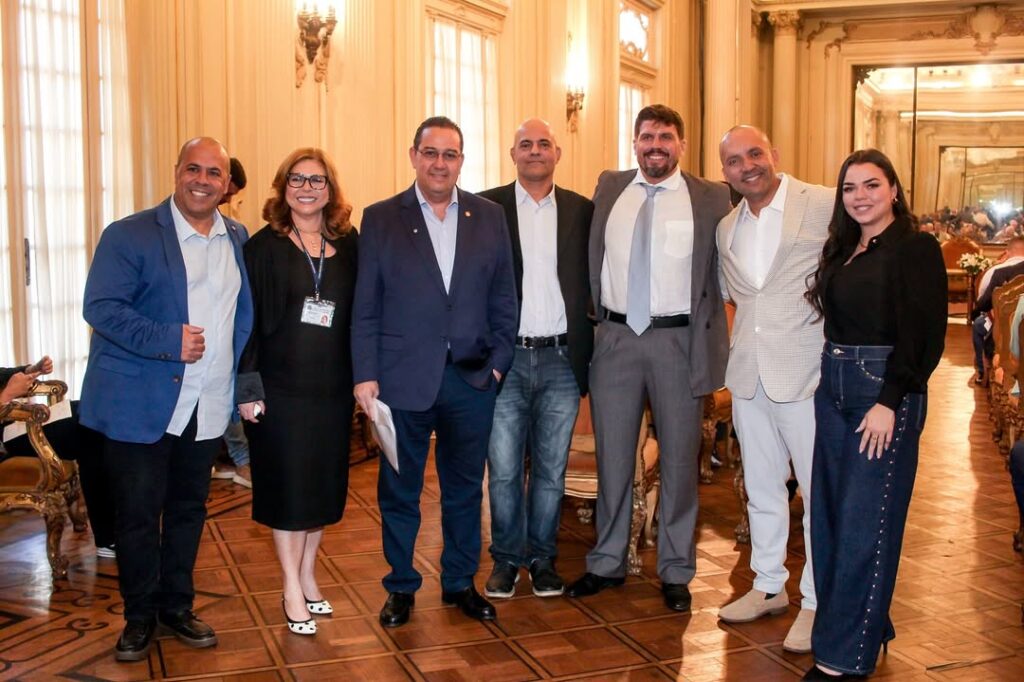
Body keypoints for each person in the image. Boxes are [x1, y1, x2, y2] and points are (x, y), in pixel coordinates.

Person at [80, 137, 253, 662]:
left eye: (214, 173)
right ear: (177, 172)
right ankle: (138, 618)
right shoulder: (129, 234)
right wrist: (165, 339)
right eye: (193, 169)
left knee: (187, 511)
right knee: (137, 516)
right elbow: (100, 307)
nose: (202, 180)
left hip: (209, 401)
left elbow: (242, 320)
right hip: (141, 404)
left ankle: (177, 607)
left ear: (227, 184)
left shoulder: (238, 237)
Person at [352, 116, 517, 628]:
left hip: (472, 379)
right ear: (414, 156)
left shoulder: (489, 216)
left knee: (464, 490)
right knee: (399, 490)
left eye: (449, 154)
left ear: (461, 161)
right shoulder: (381, 218)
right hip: (401, 379)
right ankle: (401, 586)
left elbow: (505, 299)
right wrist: (365, 374)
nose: (439, 163)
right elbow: (366, 306)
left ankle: (459, 582)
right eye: (430, 152)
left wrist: (497, 367)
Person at [565, 104, 731, 613]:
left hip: (678, 342)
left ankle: (676, 569)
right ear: (634, 142)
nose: (655, 145)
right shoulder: (610, 187)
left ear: (681, 144)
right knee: (614, 456)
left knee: (680, 459)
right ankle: (607, 562)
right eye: (647, 137)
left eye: (665, 137)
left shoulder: (711, 197)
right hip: (614, 338)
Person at [802, 149, 946, 679]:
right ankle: (867, 625)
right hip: (833, 387)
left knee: (866, 524)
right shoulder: (845, 247)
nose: (859, 196)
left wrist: (890, 401)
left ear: (894, 191)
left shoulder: (915, 247)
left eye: (871, 185)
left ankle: (842, 661)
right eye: (849, 187)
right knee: (830, 521)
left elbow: (924, 336)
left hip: (882, 393)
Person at [714, 125, 833, 652]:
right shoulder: (726, 227)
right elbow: (735, 295)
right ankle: (767, 586)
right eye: (734, 161)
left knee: (817, 493)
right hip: (748, 375)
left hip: (808, 375)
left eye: (754, 154)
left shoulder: (823, 204)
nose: (747, 166)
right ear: (725, 172)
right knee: (761, 487)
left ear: (774, 154)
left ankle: (817, 600)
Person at [236, 148, 358, 637]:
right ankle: (290, 587)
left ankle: (308, 575)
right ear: (283, 186)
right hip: (278, 393)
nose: (307, 188)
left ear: (330, 189)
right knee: (288, 491)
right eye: (297, 179)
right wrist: (247, 386)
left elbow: (363, 314)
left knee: (320, 489)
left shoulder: (349, 243)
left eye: (317, 180)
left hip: (332, 392)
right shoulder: (262, 248)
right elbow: (244, 324)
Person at [478, 118, 594, 599]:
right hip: (506, 361)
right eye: (525, 144)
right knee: (504, 470)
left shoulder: (582, 210)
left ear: (557, 153)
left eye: (543, 144)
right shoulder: (486, 208)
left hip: (562, 361)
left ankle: (543, 559)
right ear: (513, 154)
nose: (534, 151)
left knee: (550, 470)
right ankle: (506, 559)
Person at [1, 357, 116, 557]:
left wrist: (30, 370)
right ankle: (108, 536)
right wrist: (7, 395)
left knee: (89, 413)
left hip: (12, 425)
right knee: (86, 426)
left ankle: (111, 533)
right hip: (5, 440)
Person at [214, 157, 253, 488]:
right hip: (192, 345)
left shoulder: (237, 233)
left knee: (232, 401)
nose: (227, 198)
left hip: (231, 341)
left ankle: (243, 462)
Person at [971, 237, 1024, 384]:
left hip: (1005, 338)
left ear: (1008, 252)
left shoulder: (998, 272)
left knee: (979, 324)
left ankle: (983, 373)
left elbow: (983, 304)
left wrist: (974, 315)